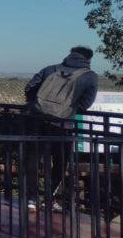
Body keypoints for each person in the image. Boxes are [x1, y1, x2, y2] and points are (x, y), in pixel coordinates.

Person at [23, 46, 99, 210]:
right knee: (60, 162)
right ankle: (49, 199)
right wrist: (68, 109)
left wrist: (36, 105)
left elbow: (30, 87)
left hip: (36, 119)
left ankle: (31, 200)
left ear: (70, 54)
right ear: (88, 59)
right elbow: (86, 104)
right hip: (63, 123)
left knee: (32, 160)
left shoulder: (50, 69)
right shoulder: (90, 76)